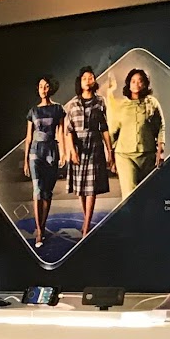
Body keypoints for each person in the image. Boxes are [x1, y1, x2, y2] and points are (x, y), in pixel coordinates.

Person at [60, 67, 113, 238]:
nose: (88, 80)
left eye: (91, 77)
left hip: (95, 146)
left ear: (94, 81)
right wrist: (72, 150)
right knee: (81, 188)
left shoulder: (100, 101)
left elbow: (104, 128)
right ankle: (86, 219)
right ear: (80, 82)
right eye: (85, 78)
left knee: (91, 188)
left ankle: (86, 226)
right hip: (78, 147)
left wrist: (110, 151)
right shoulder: (73, 104)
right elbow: (69, 130)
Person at [106, 67, 166, 200]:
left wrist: (160, 151)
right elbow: (112, 132)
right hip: (125, 157)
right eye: (133, 81)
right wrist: (111, 156)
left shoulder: (152, 103)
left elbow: (161, 127)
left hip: (148, 156)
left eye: (140, 81)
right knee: (129, 195)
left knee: (147, 195)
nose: (136, 84)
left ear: (145, 84)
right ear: (129, 84)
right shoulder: (121, 106)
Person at [21, 75, 65, 249]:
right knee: (37, 190)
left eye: (46, 86)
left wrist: (63, 153)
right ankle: (39, 231)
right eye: (40, 86)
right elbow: (28, 137)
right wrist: (26, 160)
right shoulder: (33, 111)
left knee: (47, 192)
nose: (43, 89)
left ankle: (43, 225)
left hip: (51, 151)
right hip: (35, 152)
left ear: (50, 88)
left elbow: (61, 132)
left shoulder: (57, 109)